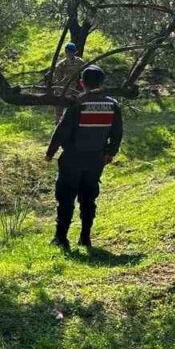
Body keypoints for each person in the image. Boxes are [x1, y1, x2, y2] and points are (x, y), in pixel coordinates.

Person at [45, 64, 122, 251]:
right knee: (88, 197)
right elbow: (117, 132)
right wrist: (110, 152)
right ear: (102, 83)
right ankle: (85, 237)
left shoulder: (77, 103)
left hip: (72, 158)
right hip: (96, 159)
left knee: (66, 197)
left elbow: (62, 130)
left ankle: (61, 238)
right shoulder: (113, 104)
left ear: (81, 82)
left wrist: (50, 152)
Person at [51, 41, 87, 120]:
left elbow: (84, 75)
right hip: (60, 90)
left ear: (74, 52)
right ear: (65, 52)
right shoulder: (61, 64)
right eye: (68, 51)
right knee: (59, 113)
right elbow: (57, 79)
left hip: (72, 89)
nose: (69, 53)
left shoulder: (80, 62)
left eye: (71, 51)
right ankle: (58, 125)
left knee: (71, 112)